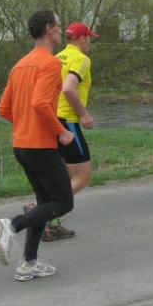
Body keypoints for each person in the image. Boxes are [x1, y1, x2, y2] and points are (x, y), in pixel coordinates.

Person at [0, 10, 75, 282]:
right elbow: (40, 103)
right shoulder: (50, 63)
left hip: (21, 145)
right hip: (41, 146)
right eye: (59, 26)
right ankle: (11, 225)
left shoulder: (20, 65)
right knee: (63, 202)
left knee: (44, 202)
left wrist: (26, 124)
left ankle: (29, 263)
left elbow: (4, 109)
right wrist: (61, 132)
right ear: (49, 29)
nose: (61, 30)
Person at [35, 21, 98, 240]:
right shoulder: (81, 59)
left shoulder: (57, 56)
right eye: (89, 38)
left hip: (52, 119)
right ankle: (42, 213)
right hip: (68, 121)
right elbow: (69, 88)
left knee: (65, 175)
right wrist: (84, 115)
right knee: (82, 176)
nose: (90, 43)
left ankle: (50, 221)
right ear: (81, 39)